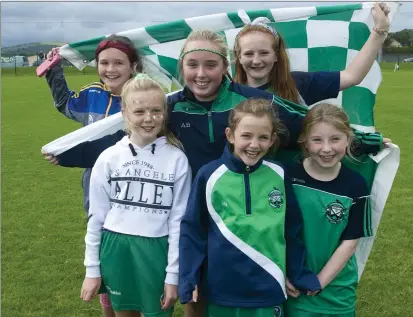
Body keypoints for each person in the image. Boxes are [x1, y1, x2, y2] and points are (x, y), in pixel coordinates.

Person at [42, 29, 386, 317]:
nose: (201, 73)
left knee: (225, 298)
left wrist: (363, 141)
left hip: (238, 221)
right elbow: (126, 134)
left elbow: (307, 129)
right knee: (192, 298)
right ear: (182, 67)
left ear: (225, 67)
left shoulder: (253, 103)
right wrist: (70, 153)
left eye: (211, 64)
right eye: (192, 65)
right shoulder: (171, 105)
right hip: (187, 221)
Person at [179, 98, 321, 317]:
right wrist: (189, 277)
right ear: (230, 136)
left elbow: (291, 229)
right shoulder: (209, 175)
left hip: (269, 287)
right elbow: (193, 231)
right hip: (222, 289)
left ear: (273, 140)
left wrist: (298, 272)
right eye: (246, 136)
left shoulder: (279, 174)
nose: (254, 145)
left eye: (263, 137)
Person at [45, 35, 143, 317]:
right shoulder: (92, 95)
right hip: (97, 190)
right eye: (104, 63)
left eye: (118, 63)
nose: (110, 69)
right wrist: (54, 70)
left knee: (134, 249)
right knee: (104, 252)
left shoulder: (143, 96)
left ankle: (137, 302)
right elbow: (65, 103)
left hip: (135, 189)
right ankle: (110, 306)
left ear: (132, 65)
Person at [80, 74, 192, 317]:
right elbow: (96, 218)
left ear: (165, 113)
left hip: (157, 251)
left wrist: (173, 275)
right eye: (140, 111)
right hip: (116, 250)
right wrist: (92, 270)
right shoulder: (109, 157)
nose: (149, 118)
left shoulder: (177, 159)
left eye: (156, 110)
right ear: (125, 112)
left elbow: (177, 222)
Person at [284, 103, 374, 317]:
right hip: (295, 288)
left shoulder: (356, 185)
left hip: (338, 292)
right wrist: (285, 274)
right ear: (304, 141)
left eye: (335, 139)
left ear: (348, 139)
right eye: (317, 140)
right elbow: (276, 232)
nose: (326, 149)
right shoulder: (287, 176)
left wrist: (319, 282)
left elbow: (351, 241)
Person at [233, 3, 391, 105]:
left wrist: (379, 31)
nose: (256, 60)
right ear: (239, 57)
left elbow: (351, 76)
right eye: (248, 54)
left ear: (275, 55)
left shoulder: (297, 84)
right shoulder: (227, 92)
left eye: (264, 53)